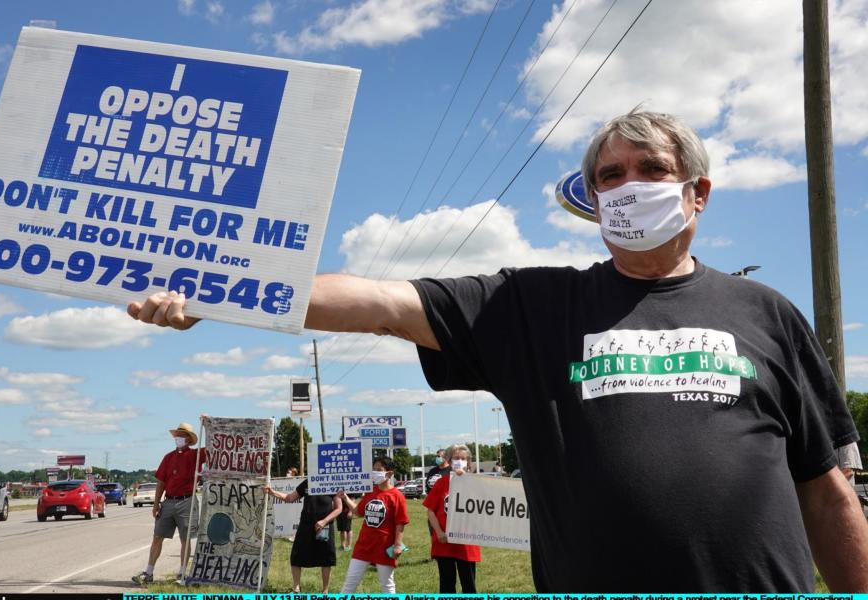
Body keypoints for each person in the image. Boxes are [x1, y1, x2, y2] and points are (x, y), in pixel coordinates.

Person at [127, 111, 868, 592]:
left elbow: (826, 491)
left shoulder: (766, 314)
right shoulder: (533, 306)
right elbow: (382, 304)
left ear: (697, 193)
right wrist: (221, 291)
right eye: (610, 175)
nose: (628, 186)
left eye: (650, 170)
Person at [132, 422, 205, 585]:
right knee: (157, 536)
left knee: (185, 539)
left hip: (187, 501)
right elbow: (161, 482)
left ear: (188, 439)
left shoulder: (196, 455)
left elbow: (215, 446)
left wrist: (207, 424)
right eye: (177, 435)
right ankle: (148, 573)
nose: (178, 438)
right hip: (169, 501)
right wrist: (156, 503)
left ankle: (182, 575)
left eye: (182, 435)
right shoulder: (168, 457)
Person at [336, 457, 409, 593]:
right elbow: (358, 511)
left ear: (389, 473)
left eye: (379, 470)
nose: (375, 472)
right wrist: (345, 497)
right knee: (350, 583)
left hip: (384, 546)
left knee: (387, 585)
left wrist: (398, 545)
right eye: (373, 469)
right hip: (364, 546)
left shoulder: (397, 496)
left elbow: (401, 522)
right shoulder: (371, 492)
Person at [264, 479, 342, 593]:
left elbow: (338, 508)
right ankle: (296, 588)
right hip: (306, 525)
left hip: (324, 526)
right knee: (296, 556)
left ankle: (325, 591)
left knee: (326, 558)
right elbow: (289, 498)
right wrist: (272, 492)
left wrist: (324, 521)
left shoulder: (332, 481)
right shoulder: (307, 482)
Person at [423, 445, 481, 593]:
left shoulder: (477, 484)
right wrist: (439, 532)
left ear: (468, 462)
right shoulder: (441, 483)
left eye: (463, 458)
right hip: (444, 542)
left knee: (469, 586)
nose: (459, 461)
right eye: (456, 458)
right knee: (447, 586)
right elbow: (430, 511)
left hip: (467, 543)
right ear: (449, 460)